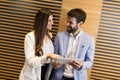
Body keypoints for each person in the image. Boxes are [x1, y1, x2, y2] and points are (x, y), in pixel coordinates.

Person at [51, 8, 95, 80]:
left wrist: (82, 65)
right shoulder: (59, 36)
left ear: (80, 24)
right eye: (67, 21)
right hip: (60, 77)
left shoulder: (89, 39)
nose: (67, 24)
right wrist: (54, 63)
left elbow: (90, 62)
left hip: (78, 77)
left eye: (71, 22)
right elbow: (54, 56)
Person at [19, 8, 60, 80]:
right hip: (32, 76)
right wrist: (47, 56)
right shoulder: (30, 37)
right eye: (49, 20)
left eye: (52, 20)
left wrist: (54, 64)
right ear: (42, 22)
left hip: (45, 75)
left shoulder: (49, 36)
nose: (52, 23)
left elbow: (48, 60)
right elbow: (30, 61)